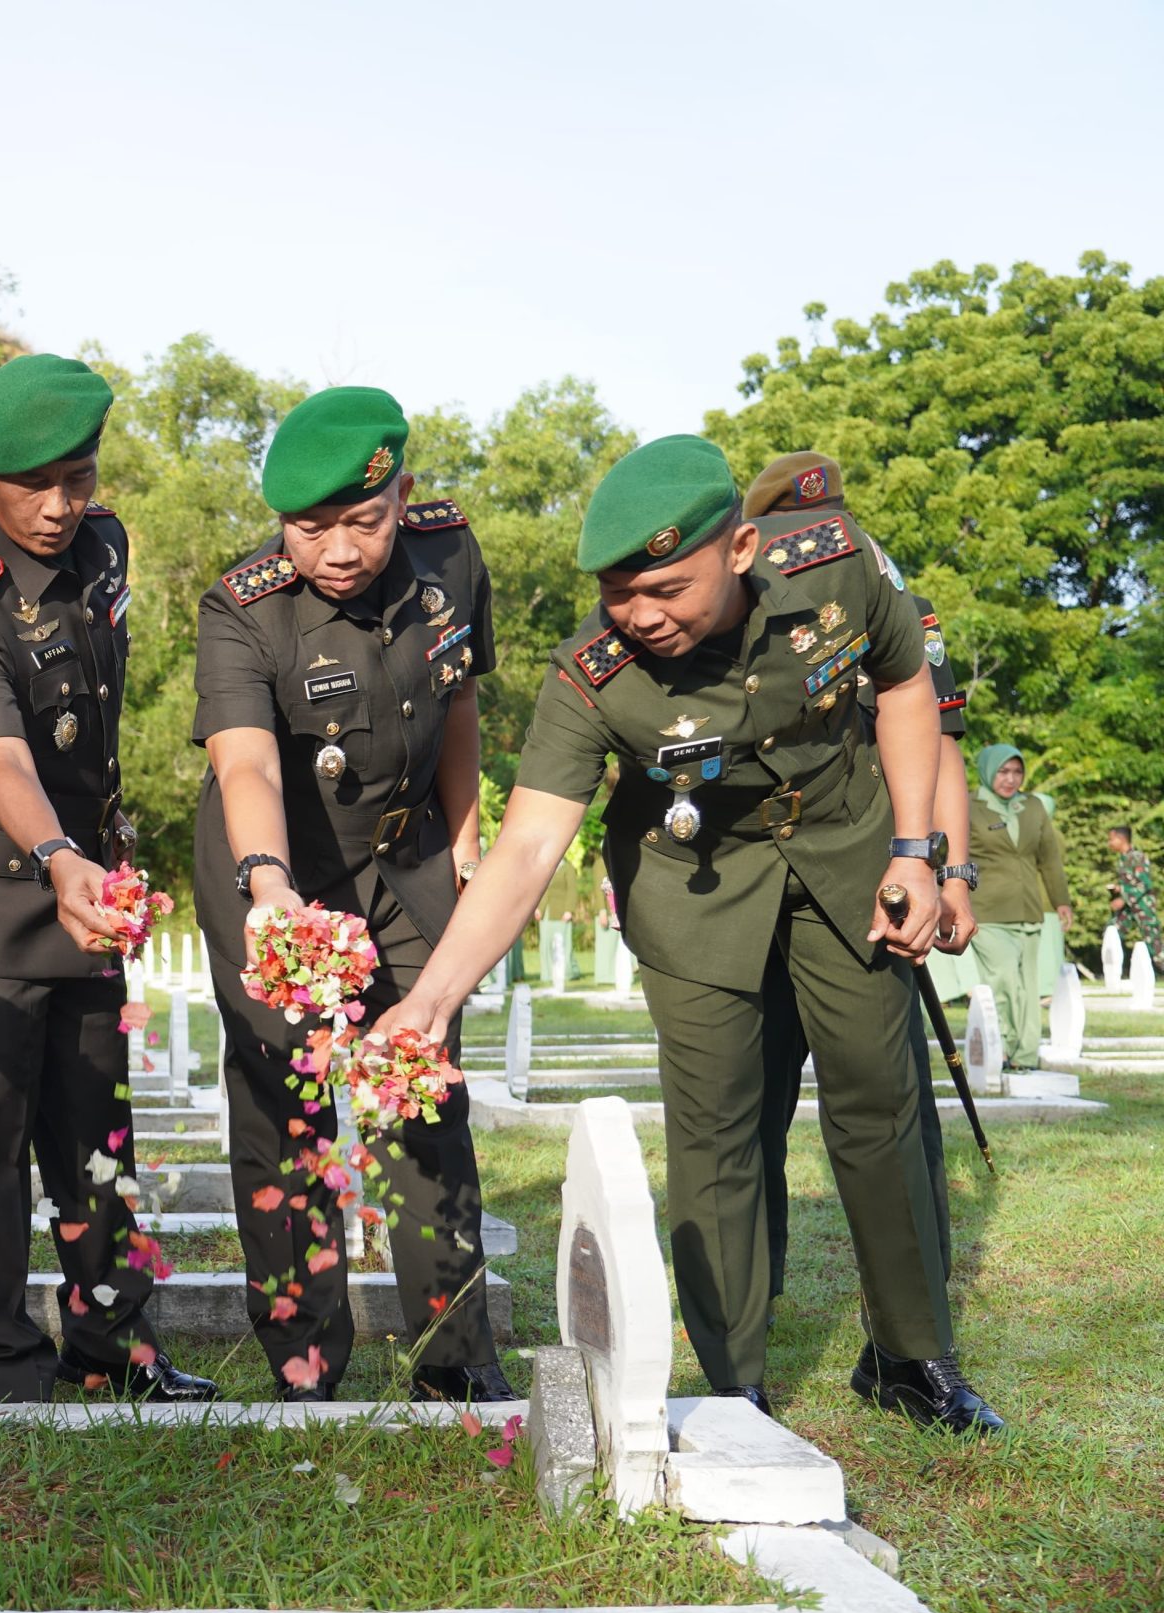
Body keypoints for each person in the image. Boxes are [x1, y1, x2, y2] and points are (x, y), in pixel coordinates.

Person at [367, 434, 1002, 1432]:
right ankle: (734, 1382)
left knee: (881, 1102)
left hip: (847, 855)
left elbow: (905, 685)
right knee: (714, 1128)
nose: (641, 614)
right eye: (620, 592)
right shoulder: (591, 673)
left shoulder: (834, 561)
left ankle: (912, 1355)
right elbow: (529, 845)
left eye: (665, 586)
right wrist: (429, 997)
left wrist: (919, 851)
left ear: (740, 547)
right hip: (693, 889)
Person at [0, 353, 217, 1404]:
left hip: (86, 894)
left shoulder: (106, 543)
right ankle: (2, 1364)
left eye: (77, 477)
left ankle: (114, 1348)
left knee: (95, 1134)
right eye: (33, 484)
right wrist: (58, 858)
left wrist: (94, 861)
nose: (58, 505)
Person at [191, 385, 509, 1403]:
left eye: (362, 523)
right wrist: (271, 890)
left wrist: (463, 837)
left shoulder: (449, 552)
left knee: (419, 1091)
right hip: (275, 870)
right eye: (309, 526)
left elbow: (457, 698)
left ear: (401, 496)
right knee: (286, 1106)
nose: (335, 549)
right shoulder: (242, 606)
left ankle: (452, 1362)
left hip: (406, 859)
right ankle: (305, 1361)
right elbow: (244, 764)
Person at [741, 452, 977, 1342]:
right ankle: (747, 1312)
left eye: (835, 521)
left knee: (893, 1106)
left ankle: (911, 1326)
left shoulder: (896, 604)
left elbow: (944, 737)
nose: (827, 540)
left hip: (882, 885)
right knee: (749, 1101)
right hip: (767, 887)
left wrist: (952, 875)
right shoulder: (750, 611)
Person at [966, 743, 1070, 1070]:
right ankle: (1003, 1047)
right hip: (986, 910)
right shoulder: (967, 805)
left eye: (1016, 772)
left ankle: (1025, 1056)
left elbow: (1049, 860)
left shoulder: (1034, 806)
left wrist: (1061, 901)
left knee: (1028, 987)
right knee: (1004, 980)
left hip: (1029, 910)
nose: (1010, 779)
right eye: (1003, 771)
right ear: (987, 771)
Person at [1108, 826, 1158, 952]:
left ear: (1121, 839)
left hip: (1143, 906)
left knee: (1154, 948)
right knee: (1112, 932)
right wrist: (1117, 891)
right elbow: (1129, 884)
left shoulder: (1137, 857)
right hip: (1128, 909)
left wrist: (1123, 897)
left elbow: (1144, 885)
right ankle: (1112, 969)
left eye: (1111, 840)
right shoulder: (1122, 859)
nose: (1109, 843)